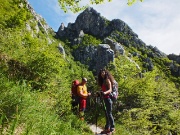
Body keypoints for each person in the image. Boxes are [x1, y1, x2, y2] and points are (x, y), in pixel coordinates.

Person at [97, 69, 115, 134]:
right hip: (104, 99)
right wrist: (99, 93)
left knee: (109, 113)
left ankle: (112, 128)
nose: (102, 73)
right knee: (107, 114)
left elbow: (110, 90)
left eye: (103, 72)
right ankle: (107, 128)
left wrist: (104, 93)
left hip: (108, 98)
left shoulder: (107, 80)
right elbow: (103, 90)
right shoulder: (103, 81)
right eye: (101, 72)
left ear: (106, 73)